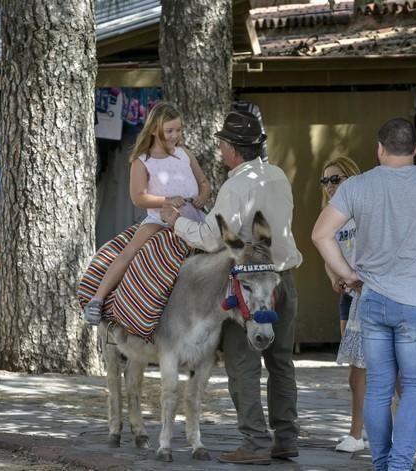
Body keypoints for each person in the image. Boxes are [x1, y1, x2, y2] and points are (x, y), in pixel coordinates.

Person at [312, 118, 416, 470]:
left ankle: (383, 464)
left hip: (373, 301)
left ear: (380, 148)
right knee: (414, 391)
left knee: (378, 388)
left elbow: (321, 235)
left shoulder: (358, 186)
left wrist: (348, 275)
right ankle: (398, 466)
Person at [161, 111, 303, 465]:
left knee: (243, 364)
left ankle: (255, 444)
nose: (221, 149)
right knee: (281, 362)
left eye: (223, 144)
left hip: (251, 283)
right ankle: (286, 439)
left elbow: (211, 240)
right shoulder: (278, 175)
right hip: (284, 279)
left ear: (233, 150)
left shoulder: (236, 185)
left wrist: (176, 222)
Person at [83, 102, 210, 324]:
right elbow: (138, 197)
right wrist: (166, 200)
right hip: (161, 218)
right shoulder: (142, 161)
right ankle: (98, 299)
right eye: (169, 131)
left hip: (194, 216)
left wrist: (204, 193)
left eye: (178, 130)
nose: (174, 136)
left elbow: (203, 181)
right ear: (153, 130)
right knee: (130, 250)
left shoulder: (185, 153)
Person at [318, 156, 368, 453]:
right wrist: (334, 276)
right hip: (349, 298)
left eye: (336, 179)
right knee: (357, 369)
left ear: (352, 177)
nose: (329, 186)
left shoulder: (366, 209)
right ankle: (360, 432)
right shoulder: (330, 214)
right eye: (325, 181)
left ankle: (390, 431)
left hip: (372, 293)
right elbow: (328, 255)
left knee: (379, 369)